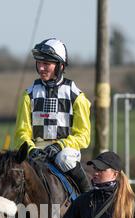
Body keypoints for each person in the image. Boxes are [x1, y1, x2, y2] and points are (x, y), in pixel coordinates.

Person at [14, 37, 91, 193]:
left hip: (65, 150)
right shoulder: (28, 95)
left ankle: (89, 199)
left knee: (65, 159)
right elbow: (22, 132)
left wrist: (59, 145)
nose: (41, 68)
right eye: (39, 63)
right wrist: (31, 149)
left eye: (46, 64)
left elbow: (83, 136)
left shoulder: (76, 96)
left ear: (60, 66)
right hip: (36, 150)